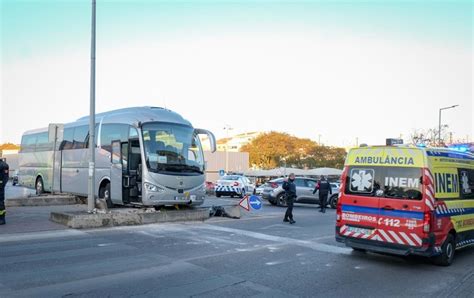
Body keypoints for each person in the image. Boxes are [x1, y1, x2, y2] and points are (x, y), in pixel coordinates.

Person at [0, 158, 9, 225]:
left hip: (0, 188)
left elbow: (5, 178)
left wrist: (1, 185)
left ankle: (2, 219)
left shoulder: (3, 165)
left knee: (0, 203)